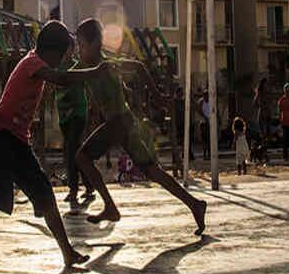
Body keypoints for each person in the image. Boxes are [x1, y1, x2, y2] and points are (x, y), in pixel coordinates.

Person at [0, 21, 99, 274]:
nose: (63, 60)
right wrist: (95, 72)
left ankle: (67, 253)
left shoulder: (35, 63)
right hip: (2, 138)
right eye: (63, 54)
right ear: (52, 51)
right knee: (1, 197)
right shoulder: (33, 63)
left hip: (14, 140)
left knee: (43, 194)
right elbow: (63, 79)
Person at [73, 18, 207, 235]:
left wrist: (157, 97)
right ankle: (195, 204)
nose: (80, 50)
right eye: (78, 45)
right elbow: (67, 76)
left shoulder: (108, 64)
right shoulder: (86, 65)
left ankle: (110, 206)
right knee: (152, 170)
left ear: (96, 44)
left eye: (82, 45)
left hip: (120, 122)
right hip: (124, 124)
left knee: (82, 157)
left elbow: (139, 67)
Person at [56, 50, 95, 212]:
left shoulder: (77, 66)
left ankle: (73, 189)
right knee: (76, 150)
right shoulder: (55, 66)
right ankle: (88, 185)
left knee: (71, 149)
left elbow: (88, 86)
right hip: (64, 115)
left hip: (78, 113)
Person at [253, 77, 271, 162]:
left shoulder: (267, 93)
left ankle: (262, 154)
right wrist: (263, 106)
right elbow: (257, 103)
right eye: (266, 83)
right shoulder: (260, 93)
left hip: (267, 115)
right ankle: (263, 154)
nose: (267, 85)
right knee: (263, 136)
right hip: (262, 115)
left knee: (266, 136)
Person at [199, 91, 212, 160]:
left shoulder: (211, 101)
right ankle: (204, 155)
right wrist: (205, 117)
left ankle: (209, 154)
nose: (206, 97)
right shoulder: (201, 102)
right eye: (205, 95)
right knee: (204, 140)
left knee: (210, 139)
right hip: (203, 123)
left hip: (210, 122)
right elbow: (199, 111)